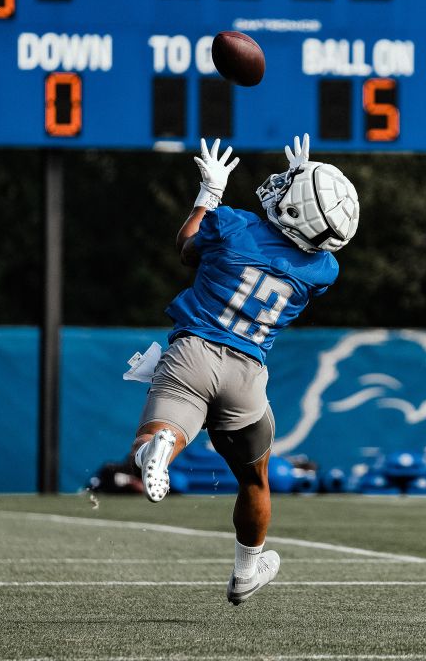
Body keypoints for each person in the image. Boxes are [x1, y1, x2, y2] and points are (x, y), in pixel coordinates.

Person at [127, 134, 360, 605]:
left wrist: (209, 193)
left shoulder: (233, 225)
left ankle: (162, 448)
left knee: (153, 438)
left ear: (295, 212)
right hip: (247, 376)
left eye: (290, 187)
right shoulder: (323, 272)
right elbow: (302, 246)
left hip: (194, 353)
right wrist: (305, 191)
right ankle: (245, 573)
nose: (279, 185)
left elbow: (187, 246)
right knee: (255, 480)